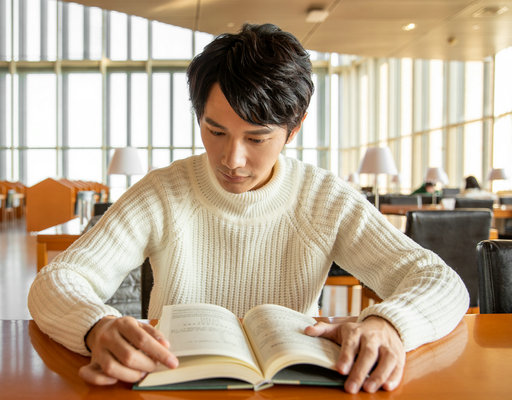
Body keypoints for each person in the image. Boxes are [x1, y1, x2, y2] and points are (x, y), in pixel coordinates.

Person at [28, 23, 468, 394]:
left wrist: (389, 324)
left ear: (294, 129)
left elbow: (441, 283)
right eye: (214, 131)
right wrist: (97, 326)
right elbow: (57, 281)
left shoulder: (323, 197)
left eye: (256, 139)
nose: (231, 160)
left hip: (294, 386)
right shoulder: (164, 192)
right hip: (175, 384)